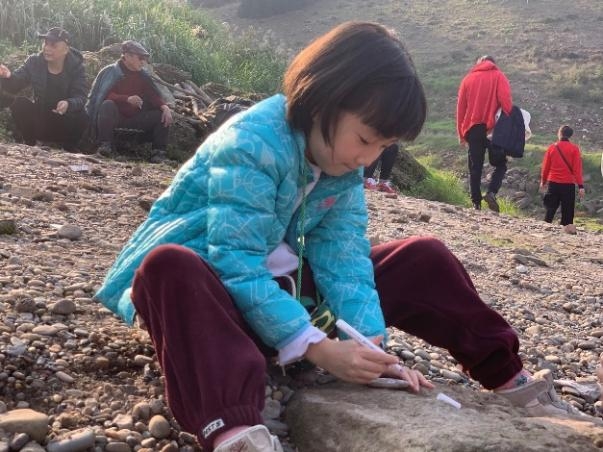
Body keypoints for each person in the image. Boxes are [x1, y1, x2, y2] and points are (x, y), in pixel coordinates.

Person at [95, 23, 583, 452]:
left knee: (424, 257)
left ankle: (506, 375)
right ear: (321, 100)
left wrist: (370, 347)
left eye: (383, 147)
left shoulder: (340, 164)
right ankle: (235, 430)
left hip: (288, 293)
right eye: (365, 139)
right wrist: (315, 346)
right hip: (218, 301)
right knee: (167, 267)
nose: (367, 159)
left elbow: (345, 257)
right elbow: (235, 265)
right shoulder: (251, 143)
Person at [0, 27, 88, 151]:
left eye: (53, 45)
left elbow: (81, 97)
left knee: (82, 115)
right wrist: (8, 76)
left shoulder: (76, 67)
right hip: (41, 118)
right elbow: (16, 84)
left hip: (64, 122)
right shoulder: (34, 62)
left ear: (66, 50)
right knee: (19, 104)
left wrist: (69, 103)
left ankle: (69, 148)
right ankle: (31, 144)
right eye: (46, 43)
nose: (47, 48)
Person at [86, 40, 173, 162]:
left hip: (136, 118)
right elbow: (104, 95)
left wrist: (164, 107)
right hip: (115, 118)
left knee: (161, 115)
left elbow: (153, 96)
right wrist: (126, 99)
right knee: (107, 105)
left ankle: (158, 153)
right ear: (127, 56)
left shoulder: (143, 76)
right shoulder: (110, 72)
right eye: (140, 58)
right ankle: (104, 145)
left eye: (144, 59)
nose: (143, 62)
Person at [457, 55, 513, 212]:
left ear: (478, 63)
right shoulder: (499, 76)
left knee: (475, 167)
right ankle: (491, 193)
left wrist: (461, 134)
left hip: (473, 129)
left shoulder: (467, 79)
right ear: (493, 63)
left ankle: (476, 204)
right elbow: (506, 104)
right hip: (494, 130)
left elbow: (461, 109)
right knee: (500, 164)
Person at [540, 125, 585, 232]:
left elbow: (546, 167)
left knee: (550, 208)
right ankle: (567, 231)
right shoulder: (574, 149)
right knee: (568, 210)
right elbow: (577, 169)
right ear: (570, 135)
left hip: (553, 183)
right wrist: (580, 186)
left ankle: (546, 227)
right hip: (568, 184)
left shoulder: (552, 147)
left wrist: (543, 181)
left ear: (559, 133)